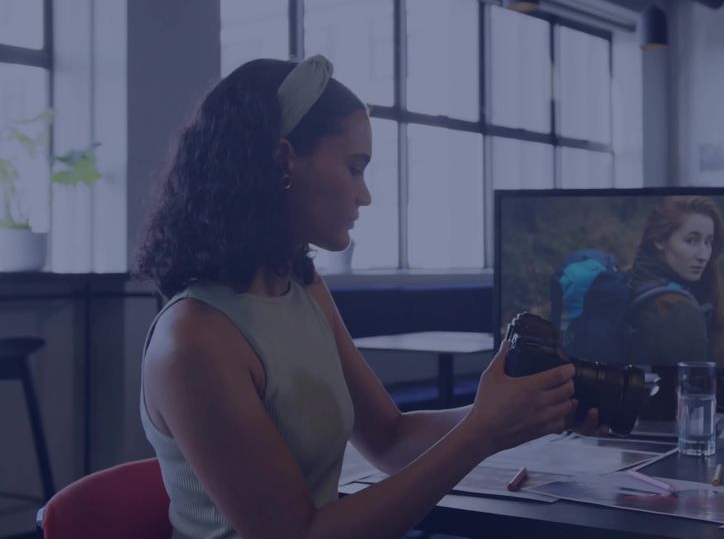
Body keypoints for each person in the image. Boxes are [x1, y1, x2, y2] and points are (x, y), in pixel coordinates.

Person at [134, 56, 603, 539]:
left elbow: (390, 438)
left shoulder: (302, 286)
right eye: (355, 168)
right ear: (282, 160)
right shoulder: (195, 341)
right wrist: (482, 431)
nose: (365, 195)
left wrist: (526, 411)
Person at [624, 196, 724, 365]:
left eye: (709, 242)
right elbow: (694, 387)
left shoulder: (630, 278)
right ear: (659, 240)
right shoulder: (678, 310)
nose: (704, 255)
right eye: (692, 240)